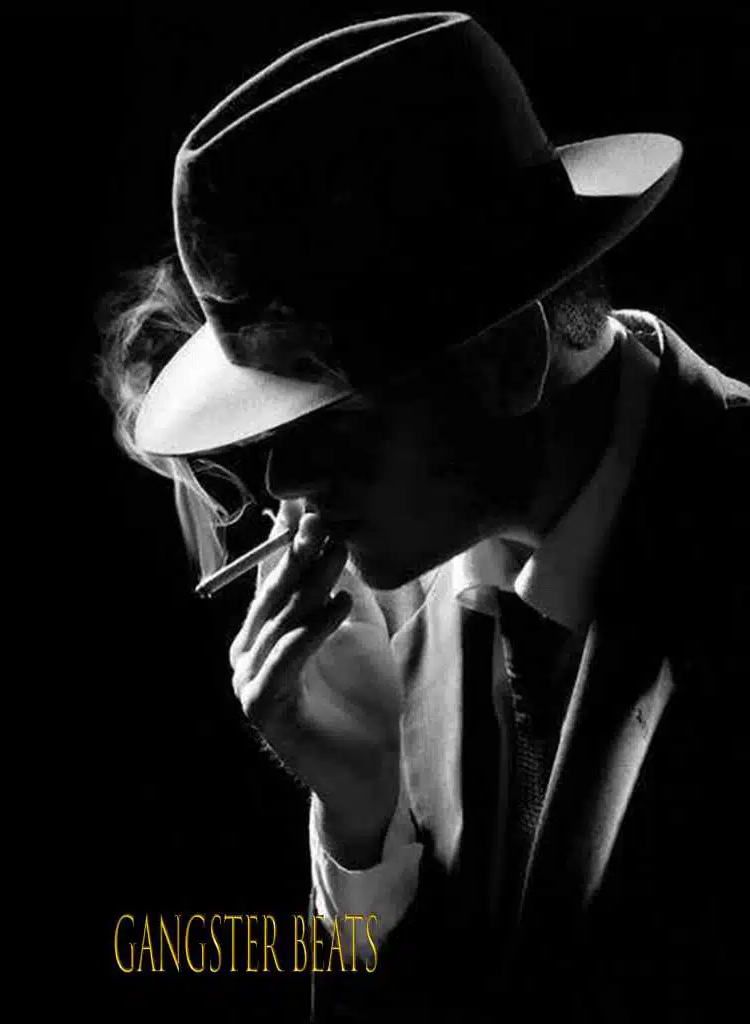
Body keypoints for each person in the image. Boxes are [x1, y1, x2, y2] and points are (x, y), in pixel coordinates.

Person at [98, 12, 749, 1022]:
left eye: (327, 418)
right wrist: (361, 821)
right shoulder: (386, 642)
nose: (281, 487)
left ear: (506, 359)